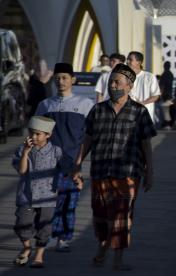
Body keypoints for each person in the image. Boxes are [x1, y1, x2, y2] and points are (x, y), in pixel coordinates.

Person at [72, 63, 156, 270]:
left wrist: (150, 171)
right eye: (111, 82)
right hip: (100, 171)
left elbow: (146, 143)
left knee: (122, 216)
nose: (113, 85)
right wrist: (77, 164)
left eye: (118, 82)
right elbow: (87, 139)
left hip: (128, 173)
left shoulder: (139, 112)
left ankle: (118, 259)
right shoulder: (98, 110)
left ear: (129, 87)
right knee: (100, 215)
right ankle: (103, 246)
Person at [35, 63, 94, 252]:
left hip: (72, 164)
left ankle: (64, 238)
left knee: (70, 202)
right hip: (47, 165)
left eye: (65, 78)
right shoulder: (45, 105)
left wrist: (80, 162)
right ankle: (51, 235)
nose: (61, 82)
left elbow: (90, 136)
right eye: (57, 78)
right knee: (50, 203)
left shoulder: (85, 105)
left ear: (73, 80)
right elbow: (35, 135)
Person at [11, 116, 78, 268]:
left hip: (48, 196)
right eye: (31, 133)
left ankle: (39, 255)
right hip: (26, 196)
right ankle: (27, 247)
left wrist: (76, 176)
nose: (33, 137)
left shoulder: (56, 151)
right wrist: (26, 153)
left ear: (48, 135)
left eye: (38, 134)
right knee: (22, 223)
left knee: (45, 227)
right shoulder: (22, 149)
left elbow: (68, 167)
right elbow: (22, 171)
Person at [127, 51, 161, 123]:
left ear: (138, 62)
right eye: (127, 59)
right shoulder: (124, 76)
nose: (127, 61)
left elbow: (156, 95)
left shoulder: (149, 77)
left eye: (130, 59)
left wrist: (143, 103)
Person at [159, 61, 175, 128]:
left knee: (166, 110)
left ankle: (167, 124)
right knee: (168, 109)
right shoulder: (170, 74)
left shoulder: (165, 74)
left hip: (166, 95)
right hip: (170, 94)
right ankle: (168, 123)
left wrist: (160, 94)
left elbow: (162, 85)